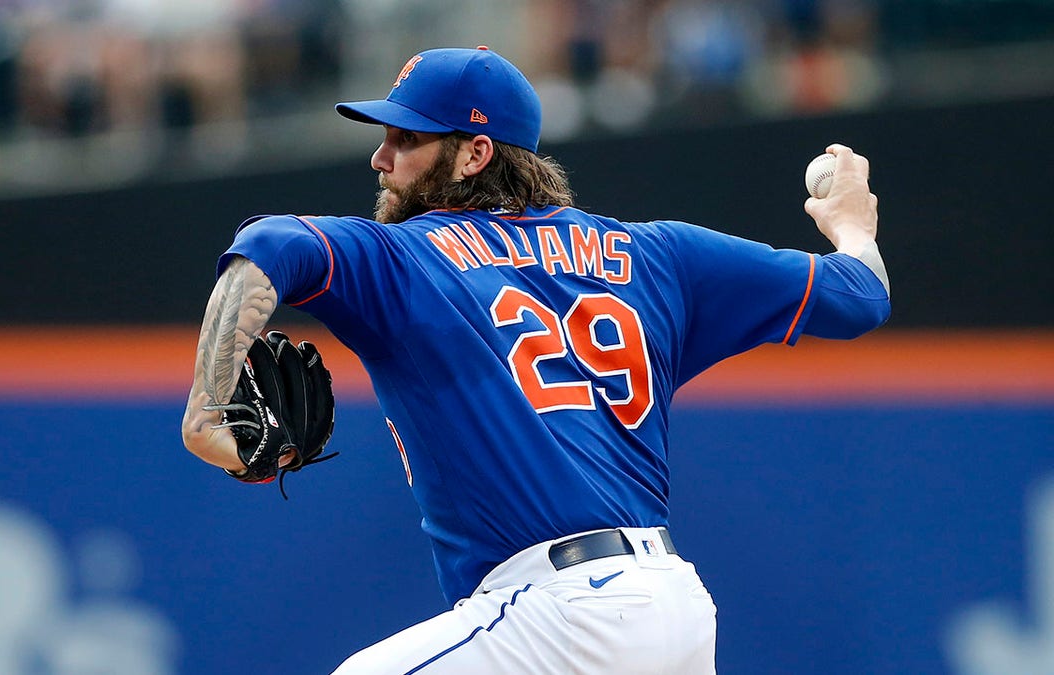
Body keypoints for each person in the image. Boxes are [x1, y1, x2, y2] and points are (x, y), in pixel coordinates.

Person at [182, 45, 890, 674]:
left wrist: (206, 412)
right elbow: (860, 296)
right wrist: (853, 227)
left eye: (405, 137)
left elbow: (268, 249)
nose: (381, 157)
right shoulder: (656, 255)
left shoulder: (406, 257)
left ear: (474, 154)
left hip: (560, 616)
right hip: (674, 609)